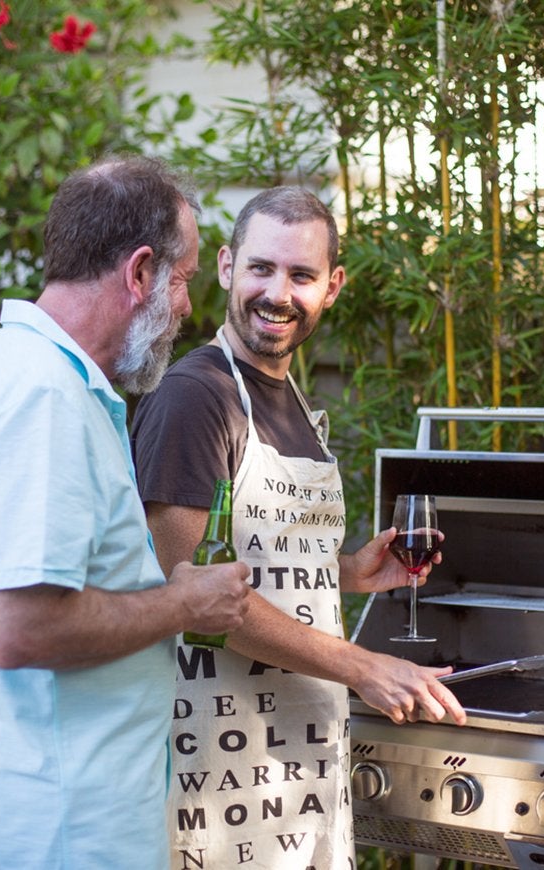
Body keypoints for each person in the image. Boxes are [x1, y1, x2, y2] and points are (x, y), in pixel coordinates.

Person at [0, 155, 251, 868]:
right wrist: (181, 603)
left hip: (50, 808)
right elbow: (18, 626)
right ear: (139, 274)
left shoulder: (30, 376)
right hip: (57, 825)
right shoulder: (42, 398)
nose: (188, 308)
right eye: (186, 278)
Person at [131, 186, 467, 869]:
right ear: (225, 267)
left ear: (332, 287)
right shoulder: (197, 398)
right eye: (261, 268)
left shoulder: (289, 398)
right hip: (217, 769)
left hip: (299, 757)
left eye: (301, 275)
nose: (276, 293)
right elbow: (183, 591)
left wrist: (344, 571)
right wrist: (363, 666)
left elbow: (256, 561)